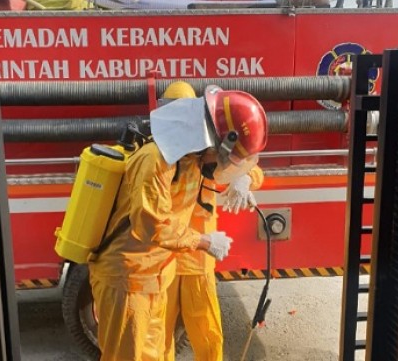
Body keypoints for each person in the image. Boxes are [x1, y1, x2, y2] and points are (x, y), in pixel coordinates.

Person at [88, 82, 268, 361]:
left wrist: (244, 177)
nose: (222, 164)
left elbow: (242, 166)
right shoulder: (155, 160)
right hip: (128, 280)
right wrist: (205, 241)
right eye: (224, 156)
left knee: (160, 354)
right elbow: (151, 225)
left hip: (157, 274)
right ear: (215, 141)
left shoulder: (192, 158)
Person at [161, 82, 265, 361]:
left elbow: (249, 164)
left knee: (207, 333)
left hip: (196, 259)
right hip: (168, 259)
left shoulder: (207, 148)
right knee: (160, 338)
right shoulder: (161, 156)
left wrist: (244, 179)